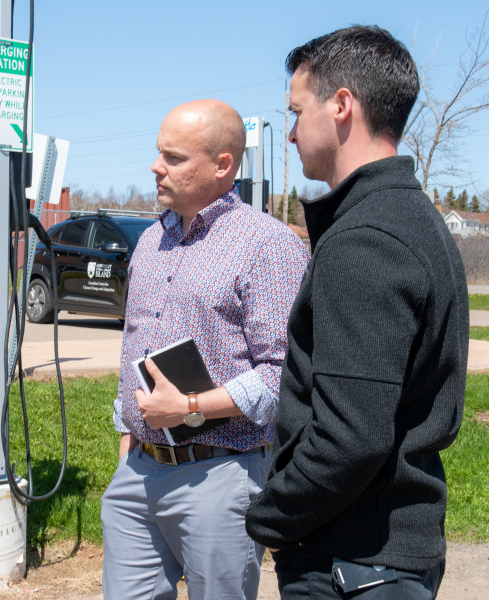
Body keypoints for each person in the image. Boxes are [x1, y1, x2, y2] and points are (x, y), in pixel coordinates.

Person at [245, 26, 468, 599]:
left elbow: (351, 438)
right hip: (381, 561)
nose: (290, 133)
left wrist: (268, 519)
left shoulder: (366, 239)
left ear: (342, 105)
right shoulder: (413, 218)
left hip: (351, 565)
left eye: (296, 112)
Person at [101, 99, 309, 599]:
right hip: (138, 472)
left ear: (223, 165)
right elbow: (139, 344)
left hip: (219, 474)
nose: (156, 166)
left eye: (173, 157)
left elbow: (283, 374)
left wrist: (189, 408)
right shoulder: (151, 242)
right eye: (158, 153)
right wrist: (130, 431)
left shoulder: (268, 245)